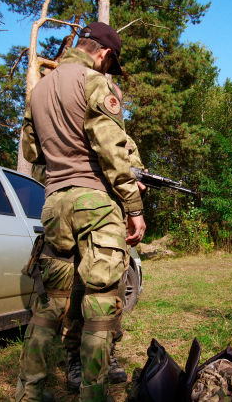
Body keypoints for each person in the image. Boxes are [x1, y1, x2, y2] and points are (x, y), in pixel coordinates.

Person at [16, 22, 146, 402]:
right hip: (95, 201)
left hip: (55, 203)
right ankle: (93, 395)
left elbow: (32, 152)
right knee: (101, 304)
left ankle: (30, 392)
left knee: (49, 304)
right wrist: (133, 207)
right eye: (111, 64)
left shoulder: (39, 89)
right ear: (104, 54)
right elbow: (110, 151)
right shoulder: (95, 81)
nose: (109, 71)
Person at [61, 82, 147, 393]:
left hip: (110, 221)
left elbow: (133, 169)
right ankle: (74, 357)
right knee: (76, 288)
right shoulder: (76, 125)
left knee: (111, 290)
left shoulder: (124, 138)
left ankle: (106, 354)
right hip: (80, 218)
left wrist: (137, 183)